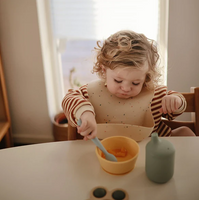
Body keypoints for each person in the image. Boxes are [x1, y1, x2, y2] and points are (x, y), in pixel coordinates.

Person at [62, 30, 195, 141]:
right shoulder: (91, 93)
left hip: (152, 152)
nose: (126, 88)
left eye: (135, 83)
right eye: (118, 81)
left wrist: (175, 101)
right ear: (104, 70)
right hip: (105, 152)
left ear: (146, 77)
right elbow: (69, 98)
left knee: (185, 133)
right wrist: (85, 113)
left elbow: (176, 108)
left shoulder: (154, 96)